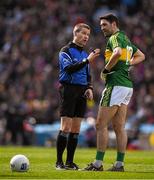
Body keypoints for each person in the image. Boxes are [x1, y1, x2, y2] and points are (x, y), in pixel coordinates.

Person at [84, 13, 145, 171]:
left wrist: (105, 69)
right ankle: (119, 164)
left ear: (114, 24)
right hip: (127, 86)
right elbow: (141, 56)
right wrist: (127, 64)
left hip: (115, 85)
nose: (102, 28)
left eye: (104, 24)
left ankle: (97, 164)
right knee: (119, 127)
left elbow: (117, 53)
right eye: (101, 25)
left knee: (100, 124)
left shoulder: (115, 38)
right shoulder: (126, 39)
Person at [56, 23, 100, 170]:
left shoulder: (84, 54)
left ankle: (69, 162)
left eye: (88, 34)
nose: (86, 37)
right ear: (76, 33)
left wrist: (89, 88)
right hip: (68, 89)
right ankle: (59, 163)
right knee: (66, 127)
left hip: (82, 91)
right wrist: (87, 60)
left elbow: (88, 74)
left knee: (76, 129)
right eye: (84, 34)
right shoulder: (65, 50)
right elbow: (68, 69)